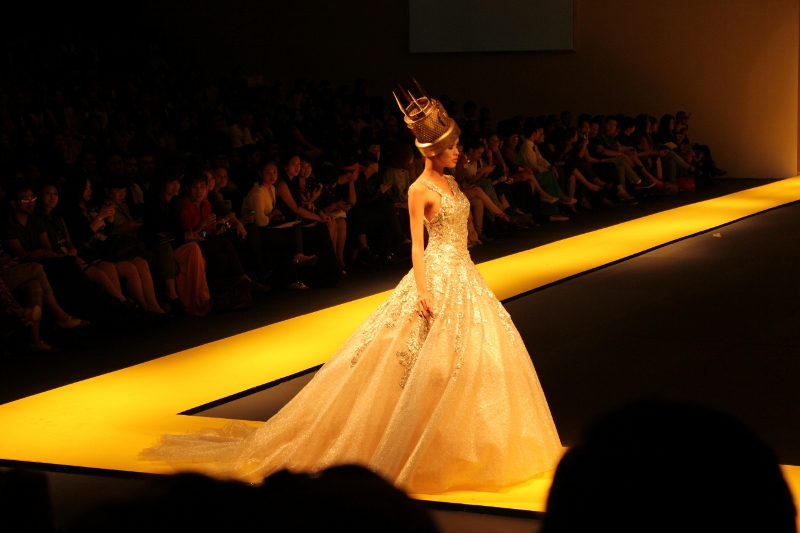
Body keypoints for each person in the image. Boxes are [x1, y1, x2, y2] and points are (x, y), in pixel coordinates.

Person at [141, 87, 562, 494]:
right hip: (436, 273)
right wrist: (423, 290)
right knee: (421, 360)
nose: (458, 151)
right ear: (433, 150)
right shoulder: (420, 189)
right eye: (452, 146)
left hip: (465, 273)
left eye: (456, 145)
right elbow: (417, 245)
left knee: (472, 354)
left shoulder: (452, 183)